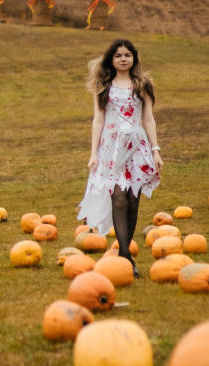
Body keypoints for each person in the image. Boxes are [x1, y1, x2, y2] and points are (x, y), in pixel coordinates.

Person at [77, 39, 163, 278]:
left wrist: (156, 150)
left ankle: (126, 250)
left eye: (127, 55)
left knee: (133, 199)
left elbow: (148, 119)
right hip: (111, 148)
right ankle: (125, 255)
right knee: (119, 197)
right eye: (118, 55)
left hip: (137, 146)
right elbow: (98, 120)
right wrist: (93, 153)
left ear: (134, 58)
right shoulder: (103, 85)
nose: (123, 59)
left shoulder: (141, 84)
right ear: (111, 60)